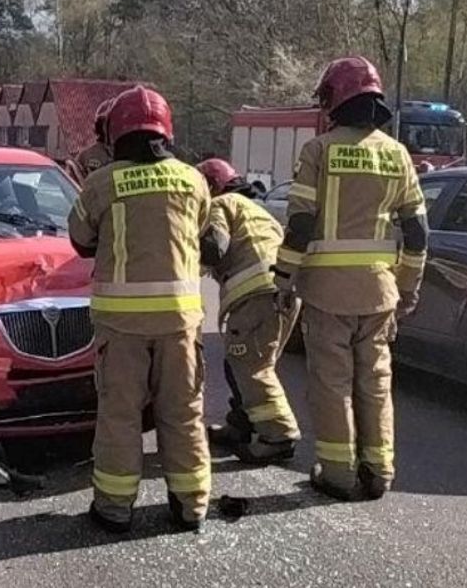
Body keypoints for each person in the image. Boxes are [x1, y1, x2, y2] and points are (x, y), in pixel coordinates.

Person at [274, 57, 428, 501]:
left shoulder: (318, 151)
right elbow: (417, 232)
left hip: (326, 295)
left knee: (332, 383)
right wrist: (407, 287)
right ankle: (379, 470)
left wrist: (284, 280)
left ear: (333, 101)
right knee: (376, 382)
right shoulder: (397, 154)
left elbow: (300, 226)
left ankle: (338, 473)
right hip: (380, 294)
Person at [68, 86, 211, 534]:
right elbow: (201, 231)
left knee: (120, 416)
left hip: (122, 326)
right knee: (184, 412)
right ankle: (191, 505)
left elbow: (79, 240)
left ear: (116, 133)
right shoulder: (193, 179)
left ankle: (114, 508)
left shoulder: (101, 182)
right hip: (180, 324)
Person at [197, 158, 301, 464]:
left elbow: (216, 247)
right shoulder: (255, 210)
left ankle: (279, 436)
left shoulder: (220, 205)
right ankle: (240, 424)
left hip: (256, 297)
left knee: (252, 367)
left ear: (210, 187)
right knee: (241, 364)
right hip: (282, 295)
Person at [70, 99, 115, 183]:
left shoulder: (133, 157)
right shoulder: (86, 156)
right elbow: (71, 187)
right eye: (107, 123)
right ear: (100, 126)